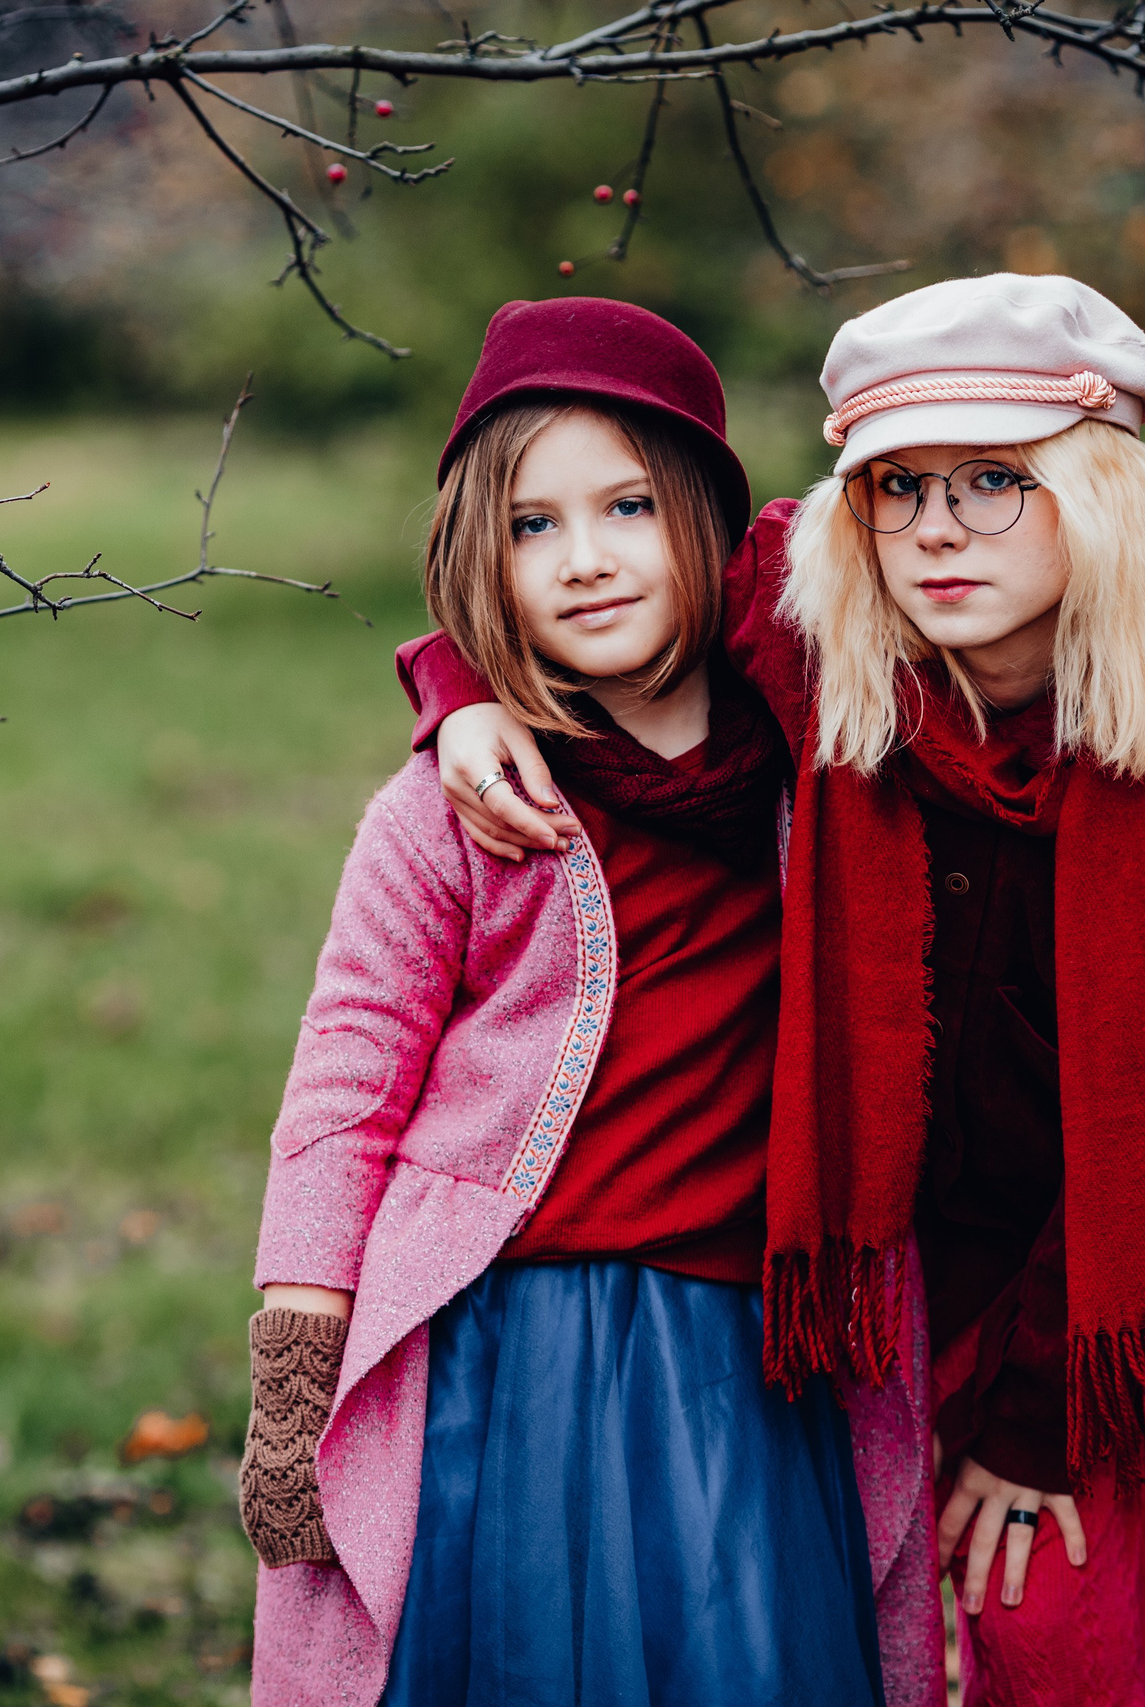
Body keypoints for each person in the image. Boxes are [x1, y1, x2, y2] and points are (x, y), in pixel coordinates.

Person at [405, 274, 1145, 1706]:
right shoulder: (819, 626)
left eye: (996, 480)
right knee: (1054, 1650)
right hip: (963, 1267)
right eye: (898, 485)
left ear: (1103, 489)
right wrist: (460, 693)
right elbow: (601, 592)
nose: (935, 529)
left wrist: (1047, 1420)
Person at [241, 297, 941, 1707]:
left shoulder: (833, 744)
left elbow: (840, 548)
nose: (587, 560)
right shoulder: (458, 808)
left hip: (762, 1351)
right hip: (521, 1352)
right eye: (531, 527)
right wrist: (299, 1352)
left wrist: (447, 685)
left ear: (706, 521)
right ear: (476, 560)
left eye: (628, 504)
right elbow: (345, 1077)